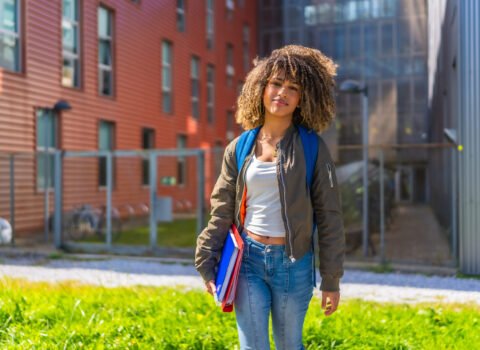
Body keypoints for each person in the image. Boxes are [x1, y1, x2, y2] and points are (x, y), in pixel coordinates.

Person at [195, 45, 345, 350]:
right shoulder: (239, 147)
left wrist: (331, 279)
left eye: (293, 88)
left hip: (293, 263)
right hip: (248, 260)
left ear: (304, 97)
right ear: (262, 87)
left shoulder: (312, 148)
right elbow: (222, 209)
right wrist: (206, 258)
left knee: (290, 345)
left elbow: (330, 216)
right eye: (276, 83)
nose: (282, 92)